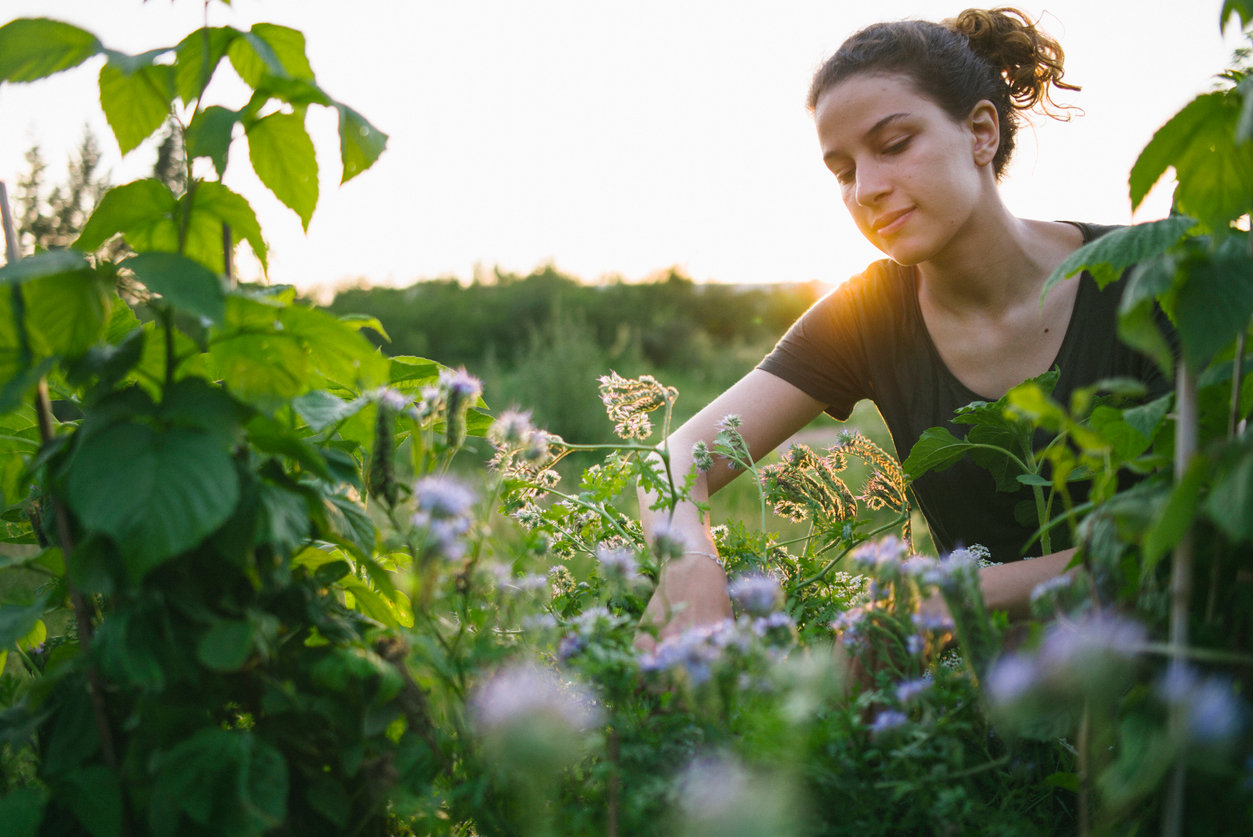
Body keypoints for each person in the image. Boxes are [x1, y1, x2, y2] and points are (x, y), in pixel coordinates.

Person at [636, 8, 1171, 647]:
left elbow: (1203, 535)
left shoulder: (1152, 275)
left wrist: (950, 600)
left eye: (893, 146)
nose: (865, 189)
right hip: (986, 704)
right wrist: (689, 567)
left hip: (1179, 685)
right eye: (842, 170)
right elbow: (673, 464)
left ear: (980, 133)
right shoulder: (869, 313)